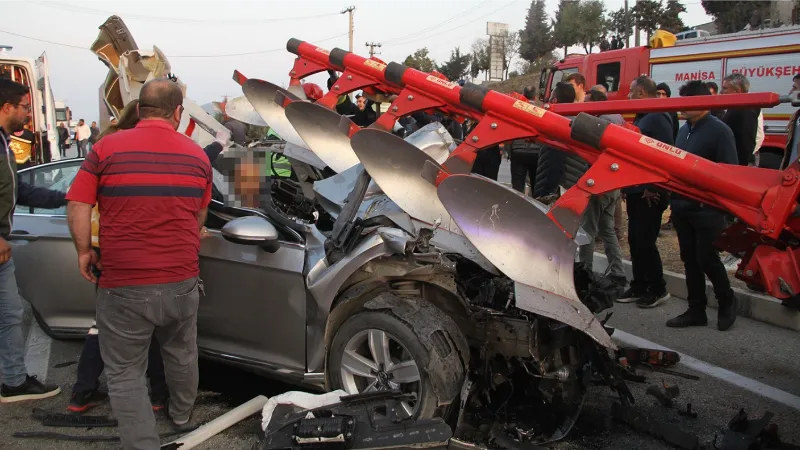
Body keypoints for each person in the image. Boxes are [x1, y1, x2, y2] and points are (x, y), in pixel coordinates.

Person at [66, 79, 212, 448]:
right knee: (181, 355)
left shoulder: (105, 148)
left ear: (140, 108)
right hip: (182, 281)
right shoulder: (197, 156)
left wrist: (84, 251)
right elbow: (198, 216)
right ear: (177, 112)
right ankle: (181, 416)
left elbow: (78, 204)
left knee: (125, 372)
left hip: (124, 285)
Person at [0, 78, 65, 403]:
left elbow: (18, 191)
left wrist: (65, 198)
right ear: (7, 107)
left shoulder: (5, 143)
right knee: (9, 314)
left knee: (10, 315)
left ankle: (13, 381)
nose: (28, 115)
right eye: (25, 108)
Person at [666, 80, 738, 330]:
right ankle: (696, 309)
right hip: (682, 206)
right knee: (690, 260)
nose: (683, 108)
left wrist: (720, 209)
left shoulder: (720, 131)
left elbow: (729, 172)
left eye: (688, 102)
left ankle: (727, 301)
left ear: (702, 102)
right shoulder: (683, 130)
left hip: (707, 210)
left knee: (707, 258)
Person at [619, 76, 673, 308]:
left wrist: (653, 187)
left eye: (631, 92)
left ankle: (658, 288)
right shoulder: (644, 116)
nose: (628, 96)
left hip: (650, 193)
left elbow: (664, 155)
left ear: (641, 93)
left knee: (645, 241)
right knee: (635, 240)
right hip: (636, 189)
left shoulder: (658, 117)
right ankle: (639, 285)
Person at [577, 89, 627, 288]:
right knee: (607, 230)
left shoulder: (601, 123)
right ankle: (618, 273)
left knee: (587, 229)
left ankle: (584, 273)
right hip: (613, 183)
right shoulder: (618, 119)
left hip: (600, 183)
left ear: (596, 103)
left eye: (588, 102)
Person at [533, 82, 588, 199]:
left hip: (557, 189)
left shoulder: (556, 125)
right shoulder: (578, 122)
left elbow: (553, 163)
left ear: (554, 100)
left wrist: (545, 193)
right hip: (574, 186)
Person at [720, 73, 760, 167]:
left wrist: (738, 166)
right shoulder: (736, 108)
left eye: (725, 88)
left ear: (737, 91)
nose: (721, 92)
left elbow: (745, 142)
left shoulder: (745, 110)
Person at [508, 86, 541, 194]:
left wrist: (509, 151)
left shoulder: (516, 110)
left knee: (517, 187)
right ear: (535, 97)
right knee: (536, 185)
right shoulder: (540, 111)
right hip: (536, 153)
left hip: (518, 151)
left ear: (523, 94)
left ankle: (516, 208)